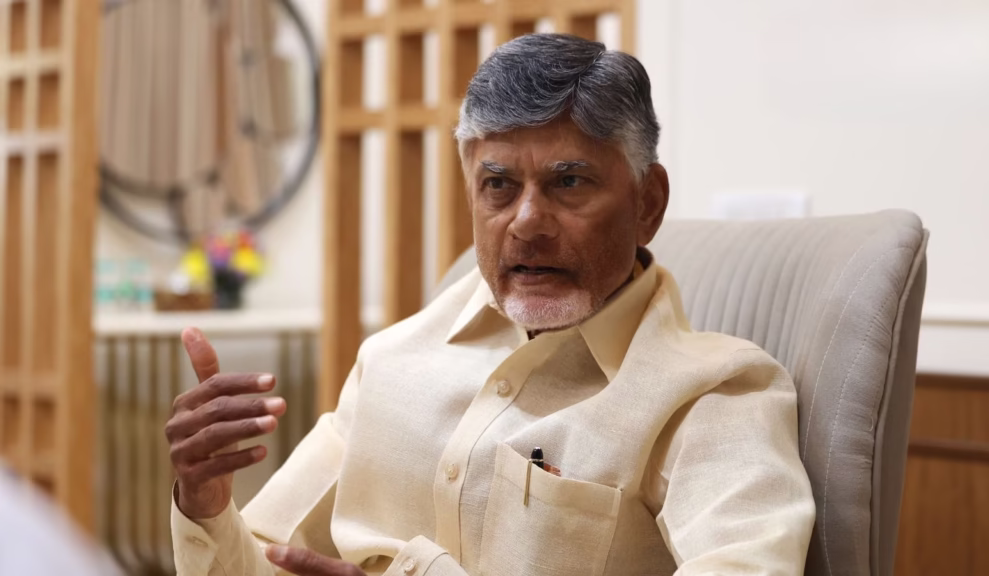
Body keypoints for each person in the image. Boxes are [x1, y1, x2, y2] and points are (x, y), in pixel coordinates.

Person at [167, 33, 815, 576]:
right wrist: (205, 503)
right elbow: (265, 558)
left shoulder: (713, 394)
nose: (527, 222)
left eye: (569, 183)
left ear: (648, 203)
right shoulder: (393, 360)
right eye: (498, 186)